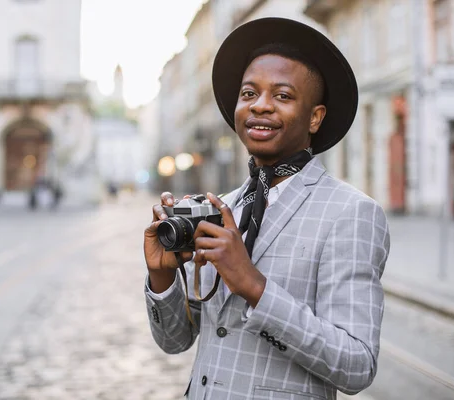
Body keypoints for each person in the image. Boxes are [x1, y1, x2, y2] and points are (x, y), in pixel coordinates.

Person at [143, 18, 390, 400]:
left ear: (315, 117)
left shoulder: (351, 212)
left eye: (283, 96)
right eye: (248, 93)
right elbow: (175, 342)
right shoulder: (219, 208)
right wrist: (161, 278)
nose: (260, 105)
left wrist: (255, 286)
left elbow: (356, 365)